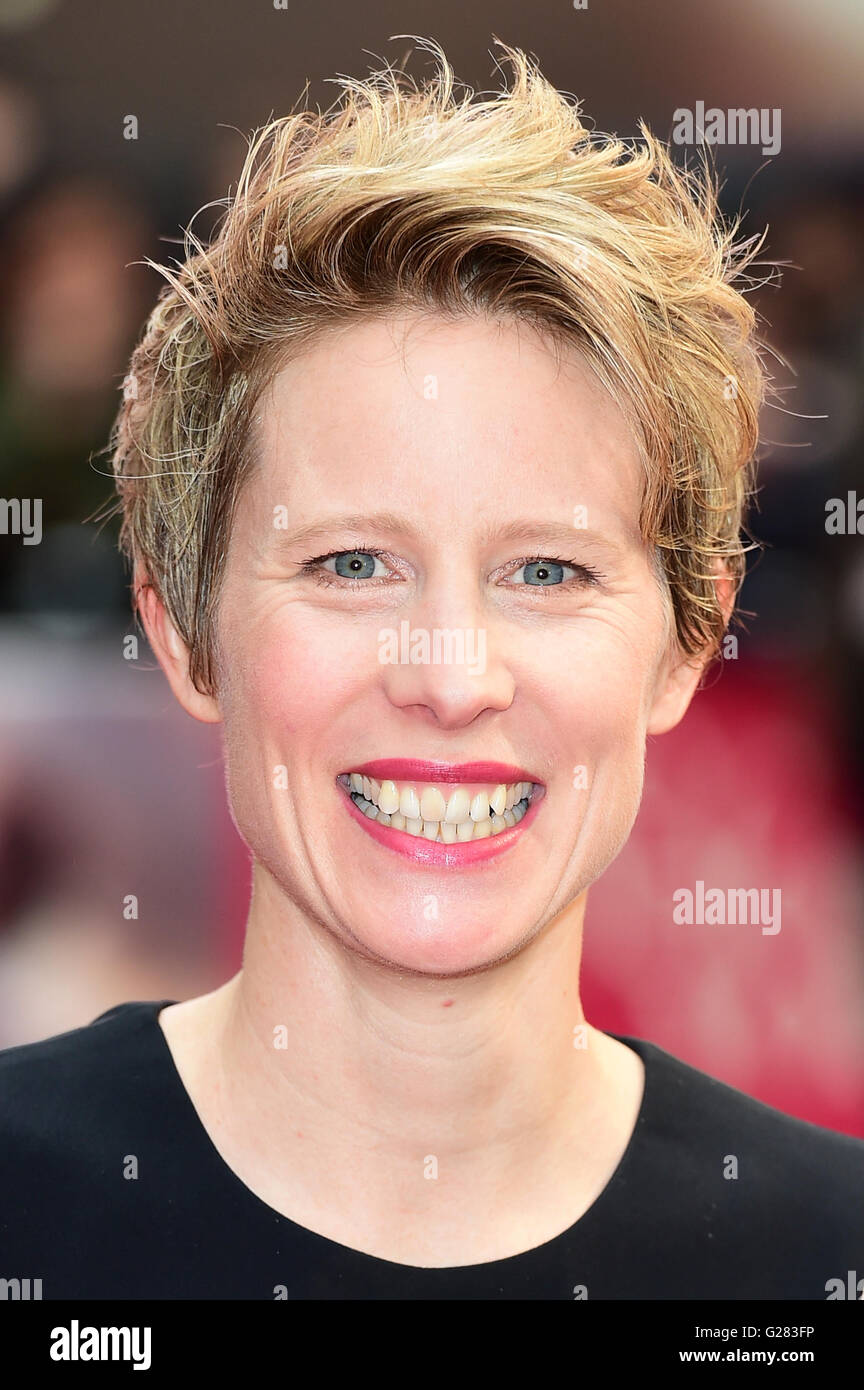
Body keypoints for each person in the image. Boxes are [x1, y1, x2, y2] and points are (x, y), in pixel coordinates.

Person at [1, 38, 861, 1301]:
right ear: (182, 624)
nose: (452, 678)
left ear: (686, 643)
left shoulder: (825, 1261)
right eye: (354, 564)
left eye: (547, 572)